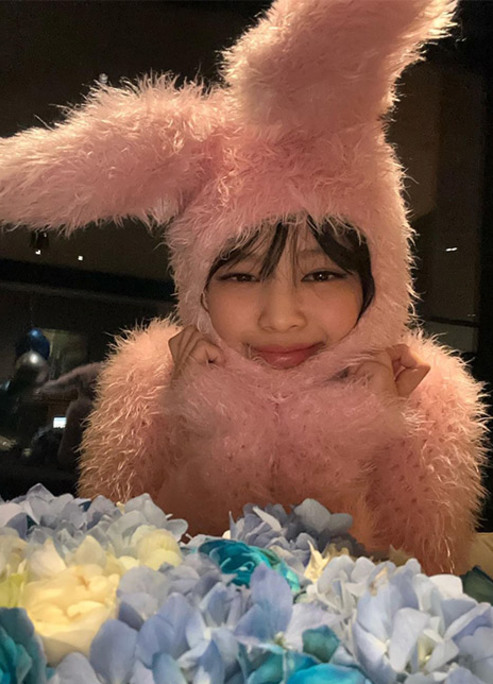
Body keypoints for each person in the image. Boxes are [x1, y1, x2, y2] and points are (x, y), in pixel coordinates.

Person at [0, 0, 486, 574]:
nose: (280, 317)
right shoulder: (150, 383)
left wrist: (350, 431)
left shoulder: (425, 399)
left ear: (378, 275)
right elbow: (116, 577)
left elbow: (416, 601)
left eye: (322, 274)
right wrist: (212, 433)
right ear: (198, 282)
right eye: (240, 274)